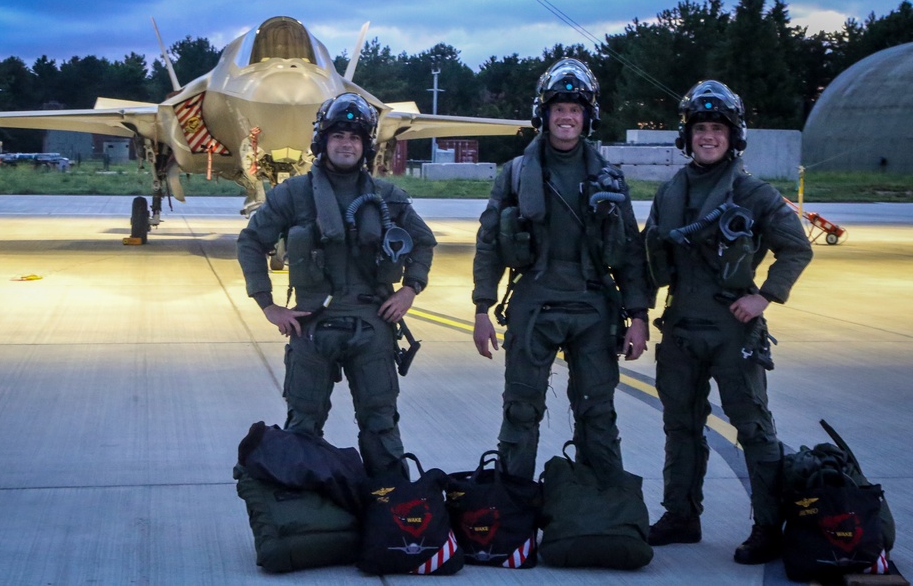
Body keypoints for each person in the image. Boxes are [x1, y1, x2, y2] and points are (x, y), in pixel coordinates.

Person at [643, 80, 813, 564]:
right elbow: (648, 254)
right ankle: (680, 515)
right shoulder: (670, 191)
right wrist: (636, 314)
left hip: (732, 327)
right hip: (679, 326)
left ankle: (767, 526)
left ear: (732, 136)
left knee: (753, 428)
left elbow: (795, 248)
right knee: (680, 426)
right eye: (700, 129)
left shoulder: (753, 193)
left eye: (717, 129)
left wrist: (764, 297)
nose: (708, 137)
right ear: (687, 136)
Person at [236, 92, 436, 477]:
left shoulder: (387, 197)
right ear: (322, 141)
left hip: (371, 323)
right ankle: (305, 520)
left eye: (355, 137)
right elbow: (251, 241)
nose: (346, 144)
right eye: (338, 135)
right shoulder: (293, 194)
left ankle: (390, 517)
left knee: (381, 427)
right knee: (302, 429)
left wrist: (410, 289)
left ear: (365, 145)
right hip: (311, 325)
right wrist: (268, 304)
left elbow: (423, 242)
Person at [472, 58, 651, 483]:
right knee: (520, 410)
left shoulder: (610, 178)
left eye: (575, 108)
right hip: (534, 303)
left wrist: (639, 316)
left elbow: (629, 252)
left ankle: (602, 509)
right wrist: (482, 307)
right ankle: (514, 510)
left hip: (593, 306)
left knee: (598, 414)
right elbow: (488, 244)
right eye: (558, 109)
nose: (567, 116)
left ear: (587, 116)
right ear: (544, 115)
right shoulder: (515, 175)